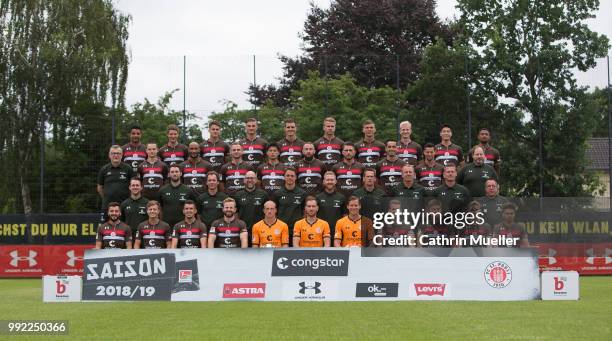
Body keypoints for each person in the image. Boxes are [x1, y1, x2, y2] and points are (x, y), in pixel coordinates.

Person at [273, 168, 306, 244]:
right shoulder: (277, 193)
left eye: (292, 176)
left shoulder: (302, 193)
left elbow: (304, 211)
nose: (290, 177)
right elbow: (274, 211)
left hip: (297, 230)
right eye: (287, 175)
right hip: (281, 229)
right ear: (284, 177)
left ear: (295, 177)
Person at [97, 145, 134, 211]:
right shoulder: (104, 169)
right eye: (113, 153)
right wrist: (106, 197)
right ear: (109, 155)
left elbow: (133, 186)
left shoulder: (128, 169)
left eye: (118, 153)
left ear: (122, 155)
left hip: (125, 205)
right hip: (107, 206)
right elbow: (100, 188)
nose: (116, 155)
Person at [234, 171, 269, 237]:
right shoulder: (238, 195)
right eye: (247, 178)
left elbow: (267, 212)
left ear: (256, 180)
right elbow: (235, 213)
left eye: (252, 178)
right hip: (243, 230)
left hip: (260, 230)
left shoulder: (263, 194)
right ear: (244, 180)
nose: (249, 180)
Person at [316, 172, 346, 237]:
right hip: (321, 233)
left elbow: (345, 217)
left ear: (335, 181)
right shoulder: (318, 197)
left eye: (332, 180)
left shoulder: (341, 197)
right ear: (324, 182)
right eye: (328, 180)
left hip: (337, 233)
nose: (330, 182)